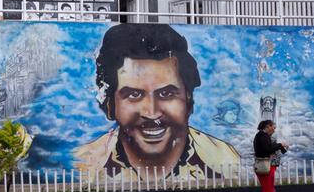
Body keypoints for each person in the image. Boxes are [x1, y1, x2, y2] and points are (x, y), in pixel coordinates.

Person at [73, 24, 240, 181]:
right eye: (134, 94)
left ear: (188, 99)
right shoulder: (83, 166)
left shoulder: (227, 161)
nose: (152, 113)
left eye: (166, 93)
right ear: (110, 105)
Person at [243, 120, 288, 192]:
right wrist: (280, 144)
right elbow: (267, 149)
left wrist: (281, 146)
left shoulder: (262, 136)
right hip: (266, 167)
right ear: (268, 126)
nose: (274, 129)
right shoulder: (263, 136)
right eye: (273, 127)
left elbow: (269, 148)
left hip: (265, 167)